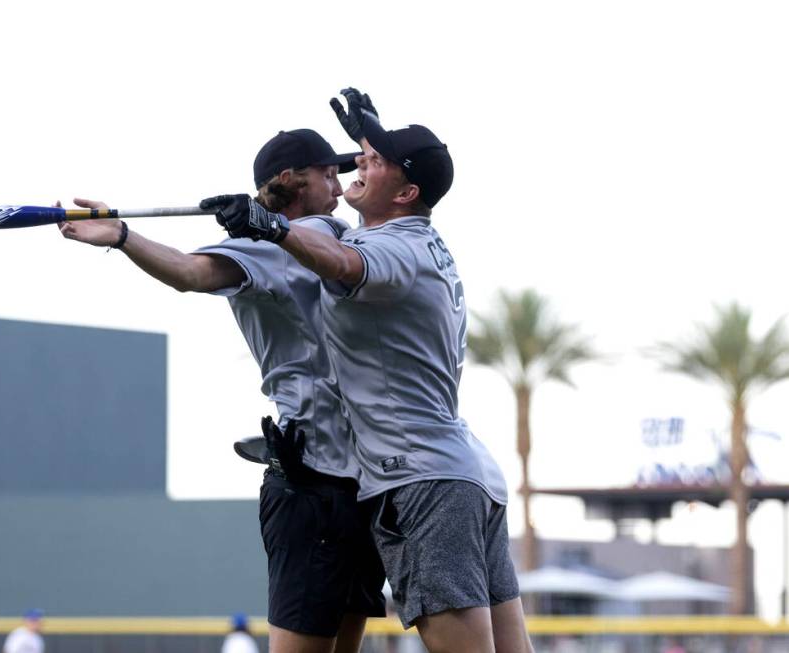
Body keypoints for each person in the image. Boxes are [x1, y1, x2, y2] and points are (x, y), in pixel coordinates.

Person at [206, 89, 534, 653]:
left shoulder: (387, 251)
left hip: (423, 479)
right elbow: (348, 225)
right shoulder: (418, 238)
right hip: (471, 473)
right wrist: (371, 134)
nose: (359, 164)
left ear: (405, 193)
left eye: (373, 160)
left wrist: (273, 228)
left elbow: (338, 261)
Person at [58, 128, 386, 653]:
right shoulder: (263, 249)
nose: (338, 179)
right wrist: (124, 237)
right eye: (327, 171)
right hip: (312, 485)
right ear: (290, 181)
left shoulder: (343, 238)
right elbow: (190, 272)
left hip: (364, 485)